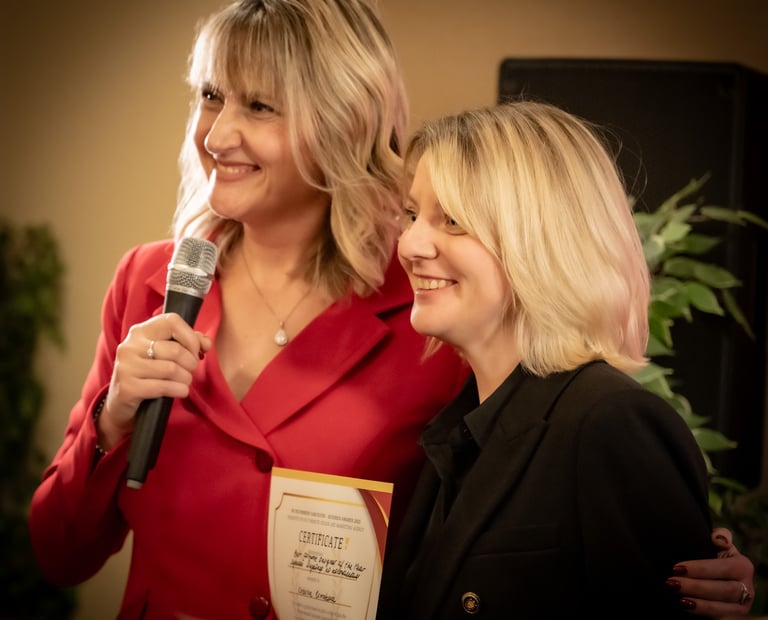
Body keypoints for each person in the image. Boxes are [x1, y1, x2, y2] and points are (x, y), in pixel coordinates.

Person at [27, 1, 753, 619]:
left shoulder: (433, 303)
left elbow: (545, 480)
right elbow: (59, 553)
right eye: (211, 96)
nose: (215, 135)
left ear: (342, 122)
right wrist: (111, 421)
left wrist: (699, 564)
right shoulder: (150, 282)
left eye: (259, 106)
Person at [378, 101, 756, 619]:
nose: (410, 244)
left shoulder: (612, 422)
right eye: (412, 215)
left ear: (542, 240)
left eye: (454, 220)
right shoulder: (458, 430)